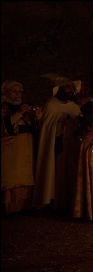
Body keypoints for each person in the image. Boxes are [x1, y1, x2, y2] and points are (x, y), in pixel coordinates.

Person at [33, 74, 83, 211]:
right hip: (54, 145)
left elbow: (81, 125)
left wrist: (72, 125)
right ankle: (51, 200)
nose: (70, 90)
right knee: (52, 171)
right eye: (67, 87)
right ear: (60, 89)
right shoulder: (51, 104)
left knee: (69, 172)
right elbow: (46, 126)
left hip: (70, 147)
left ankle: (66, 200)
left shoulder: (74, 107)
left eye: (71, 88)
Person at [1, 80, 40, 215]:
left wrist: (37, 119)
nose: (18, 94)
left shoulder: (24, 107)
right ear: (6, 93)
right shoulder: (3, 108)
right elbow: (5, 127)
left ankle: (24, 207)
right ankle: (9, 207)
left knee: (25, 177)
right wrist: (19, 113)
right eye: (15, 91)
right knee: (12, 178)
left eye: (20, 92)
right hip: (11, 149)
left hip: (26, 149)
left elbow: (32, 128)